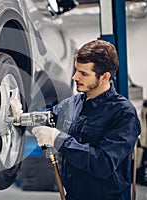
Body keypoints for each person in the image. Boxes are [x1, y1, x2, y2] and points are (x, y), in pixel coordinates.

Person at [10, 40, 141, 200]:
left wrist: (58, 139)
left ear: (105, 77)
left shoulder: (123, 113)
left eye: (84, 74)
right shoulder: (72, 104)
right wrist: (21, 117)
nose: (74, 77)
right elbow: (44, 123)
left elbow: (103, 164)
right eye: (76, 70)